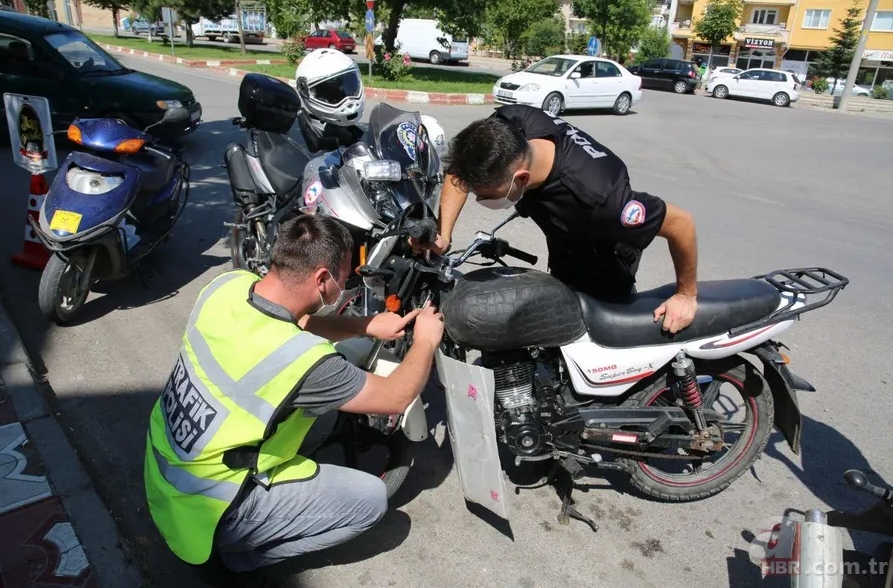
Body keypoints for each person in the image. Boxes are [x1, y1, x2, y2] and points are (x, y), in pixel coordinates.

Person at [143, 214, 445, 578]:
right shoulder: (308, 363)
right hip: (211, 508)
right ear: (322, 279)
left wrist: (364, 325)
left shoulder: (227, 285)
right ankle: (238, 560)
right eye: (345, 276)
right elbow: (396, 396)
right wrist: (426, 339)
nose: (345, 283)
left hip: (165, 467)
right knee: (371, 501)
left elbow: (293, 321)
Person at [412, 104, 699, 335]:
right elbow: (460, 171)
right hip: (564, 246)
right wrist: (444, 235)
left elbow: (680, 223)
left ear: (521, 180)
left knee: (598, 348)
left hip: (602, 267)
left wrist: (685, 295)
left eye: (484, 195)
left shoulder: (602, 199)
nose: (477, 199)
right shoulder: (511, 123)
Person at [293, 48, 447, 156]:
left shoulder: (359, 135)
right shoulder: (302, 143)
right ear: (306, 92)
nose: (347, 100)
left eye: (349, 87)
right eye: (331, 93)